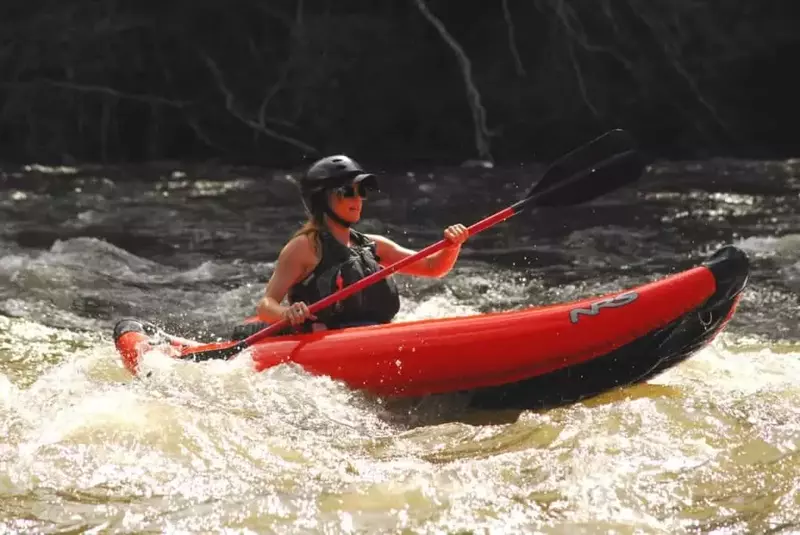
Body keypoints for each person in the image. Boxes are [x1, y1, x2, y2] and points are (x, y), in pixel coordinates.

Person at [231, 155, 469, 339]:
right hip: (326, 338)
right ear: (322, 199)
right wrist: (287, 313)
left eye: (361, 192)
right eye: (347, 192)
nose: (357, 200)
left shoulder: (373, 245)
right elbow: (266, 305)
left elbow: (432, 267)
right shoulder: (304, 247)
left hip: (374, 333)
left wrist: (452, 245)